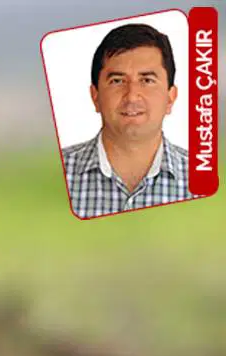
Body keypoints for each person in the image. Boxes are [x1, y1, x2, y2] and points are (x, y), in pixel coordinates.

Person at [61, 23, 193, 218]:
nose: (132, 96)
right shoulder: (55, 175)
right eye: (117, 81)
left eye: (147, 80)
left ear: (170, 98)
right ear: (95, 96)